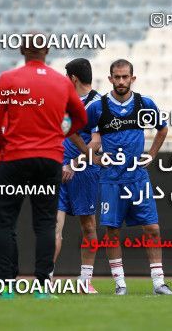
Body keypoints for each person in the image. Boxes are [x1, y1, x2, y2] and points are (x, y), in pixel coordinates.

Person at [0, 35, 88, 299]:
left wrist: (4, 146)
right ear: (46, 50)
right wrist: (61, 134)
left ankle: (7, 287)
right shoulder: (61, 82)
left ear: (22, 50)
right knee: (45, 223)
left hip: (15, 159)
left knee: (4, 222)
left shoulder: (8, 80)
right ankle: (43, 287)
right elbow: (81, 118)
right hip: (49, 160)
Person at [82, 59, 172, 295]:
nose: (121, 81)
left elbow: (162, 129)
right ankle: (120, 284)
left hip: (138, 178)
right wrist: (92, 156)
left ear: (133, 78)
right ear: (110, 78)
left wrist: (152, 154)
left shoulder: (144, 104)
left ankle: (158, 283)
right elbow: (75, 131)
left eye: (126, 77)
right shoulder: (99, 107)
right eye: (117, 77)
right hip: (111, 179)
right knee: (112, 231)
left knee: (152, 228)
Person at [53, 58, 101, 294]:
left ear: (72, 78)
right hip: (58, 171)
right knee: (54, 225)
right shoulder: (63, 102)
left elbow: (97, 141)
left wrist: (75, 162)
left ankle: (85, 280)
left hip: (85, 172)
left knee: (88, 226)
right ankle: (45, 279)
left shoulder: (98, 104)